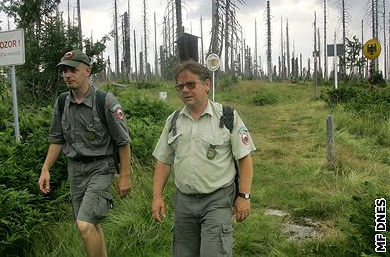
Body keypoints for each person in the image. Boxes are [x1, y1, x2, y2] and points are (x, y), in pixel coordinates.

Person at [152, 60, 256, 257]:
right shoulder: (173, 121)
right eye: (180, 86)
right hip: (184, 202)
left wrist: (244, 196)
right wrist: (157, 196)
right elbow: (164, 161)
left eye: (191, 84)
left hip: (217, 199)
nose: (185, 90)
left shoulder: (227, 117)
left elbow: (244, 159)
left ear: (207, 84)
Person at [38, 50, 131, 257]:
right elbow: (57, 139)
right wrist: (45, 169)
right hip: (75, 171)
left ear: (87, 71)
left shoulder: (105, 101)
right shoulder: (62, 102)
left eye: (73, 70)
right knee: (91, 226)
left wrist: (125, 175)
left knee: (84, 225)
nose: (67, 75)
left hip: (101, 168)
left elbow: (123, 142)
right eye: (64, 71)